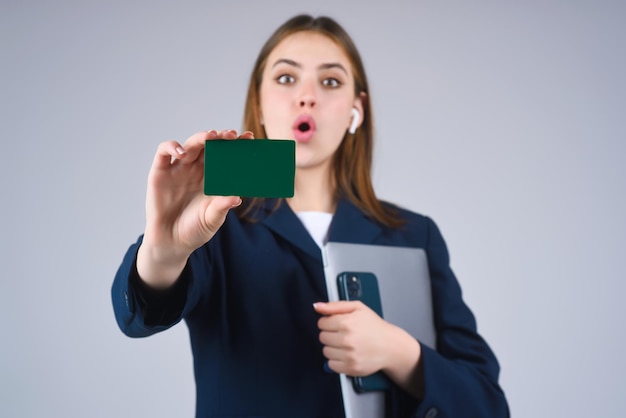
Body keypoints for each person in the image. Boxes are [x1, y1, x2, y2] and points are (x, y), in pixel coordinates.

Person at [112, 14, 509, 418]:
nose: (307, 97)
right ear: (259, 104)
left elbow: (487, 406)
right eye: (286, 79)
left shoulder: (414, 236)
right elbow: (139, 316)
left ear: (357, 110)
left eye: (331, 81)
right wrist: (163, 250)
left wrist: (399, 352)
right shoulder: (216, 226)